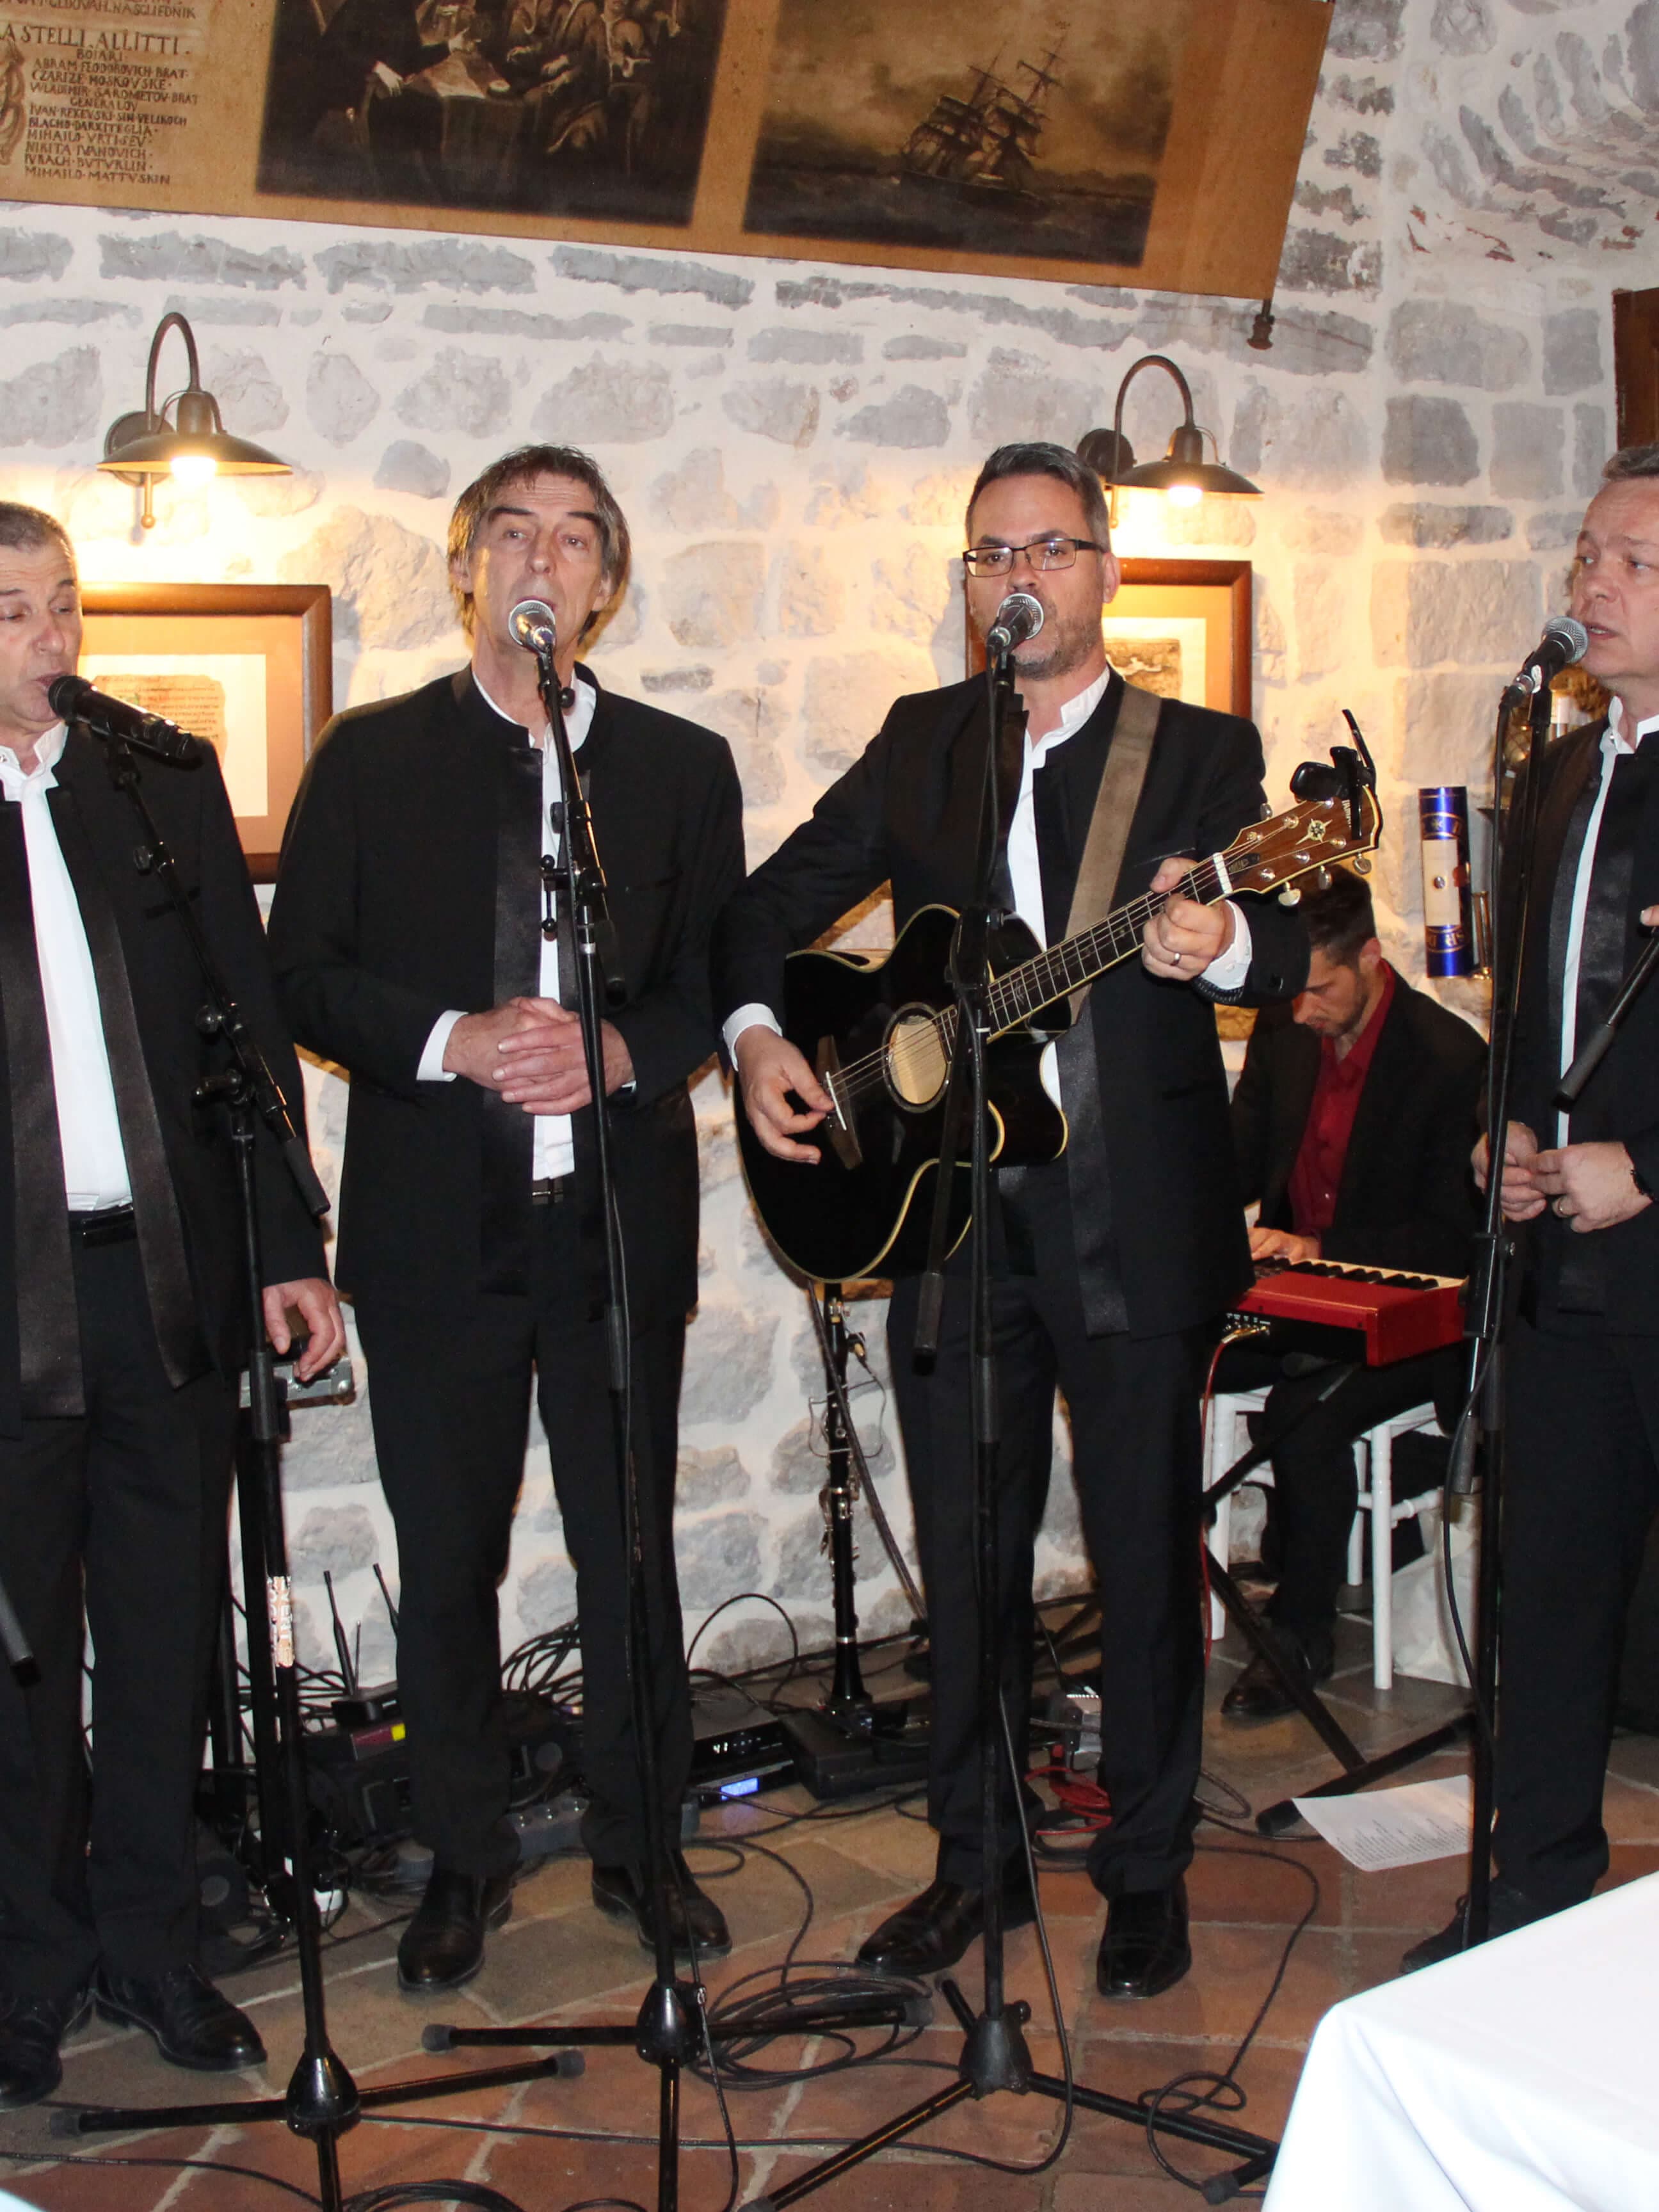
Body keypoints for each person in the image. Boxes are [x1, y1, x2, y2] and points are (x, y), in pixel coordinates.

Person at [715, 440, 1307, 2000]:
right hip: (948, 1217)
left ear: (1107, 572)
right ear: (967, 584)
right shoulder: (926, 745)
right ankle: (971, 1865)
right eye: (990, 555)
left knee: (1139, 1556)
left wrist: (1219, 942)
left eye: (1048, 549)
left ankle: (1147, 1871)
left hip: (1136, 1222)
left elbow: (1302, 947)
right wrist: (761, 1035)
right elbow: (765, 908)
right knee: (969, 1565)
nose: (1019, 577)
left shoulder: (1197, 752)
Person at [268, 445, 745, 1990]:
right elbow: (301, 972)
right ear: (468, 563)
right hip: (433, 1238)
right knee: (450, 1554)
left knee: (629, 1553)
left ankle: (642, 1841)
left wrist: (618, 1047)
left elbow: (717, 982)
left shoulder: (678, 767)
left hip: (612, 1226)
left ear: (607, 584)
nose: (546, 564)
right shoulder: (371, 755)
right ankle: (462, 1861)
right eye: (516, 535)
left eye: (579, 540)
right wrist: (452, 1039)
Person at [0, 505, 344, 2108]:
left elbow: (246, 1030)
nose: (51, 643)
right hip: (10, 1296)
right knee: (16, 1656)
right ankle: (23, 1968)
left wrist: (287, 1241)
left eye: (64, 606)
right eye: (13, 614)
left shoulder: (150, 785)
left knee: (157, 1630)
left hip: (163, 1277)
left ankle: (152, 1946)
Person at [1406, 444, 1659, 1969]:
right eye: (1587, 553)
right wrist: (1507, 1128)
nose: (1594, 583)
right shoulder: (1562, 767)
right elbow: (1537, 1016)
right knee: (1544, 1613)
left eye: (1633, 560)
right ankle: (1528, 1911)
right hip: (1559, 1282)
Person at [1220, 865, 1485, 1718]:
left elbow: (1449, 1243)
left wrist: (1320, 1246)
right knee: (1154, 1354)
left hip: (1416, 1320)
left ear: (1371, 956)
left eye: (1322, 989)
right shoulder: (1286, 1024)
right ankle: (1165, 1604)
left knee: (1306, 1408)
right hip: (1296, 1297)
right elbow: (1236, 1159)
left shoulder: (1449, 1059)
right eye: (1293, 993)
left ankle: (1301, 1632)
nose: (1302, 1011)